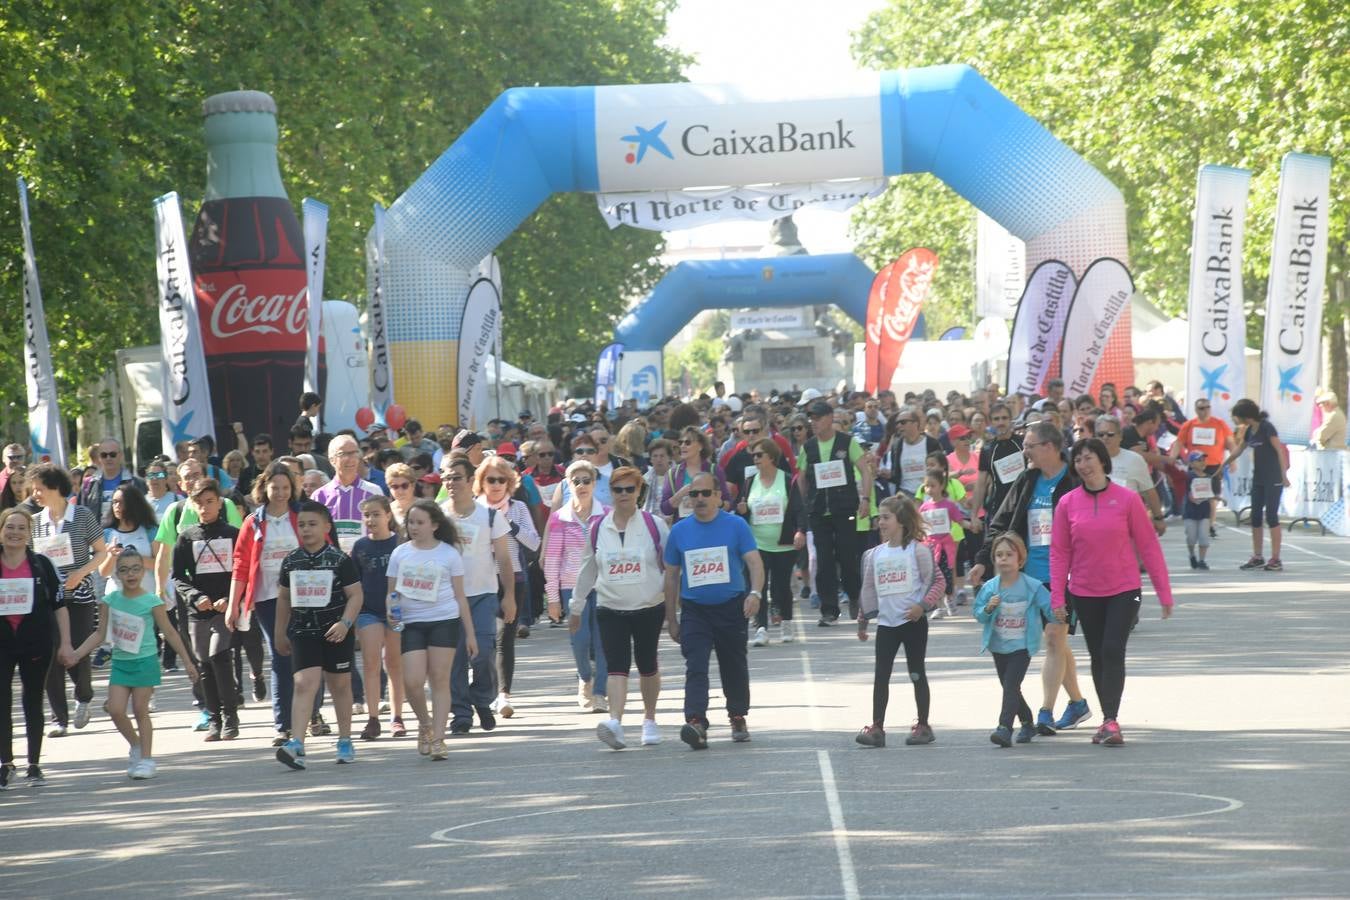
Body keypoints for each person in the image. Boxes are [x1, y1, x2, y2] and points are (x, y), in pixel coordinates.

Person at [970, 422, 1090, 736]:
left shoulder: (1075, 482)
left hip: (1064, 576)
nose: (1025, 451)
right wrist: (984, 561)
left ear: (1050, 447)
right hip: (1030, 578)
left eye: (1030, 445)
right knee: (1057, 642)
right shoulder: (1027, 480)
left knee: (1053, 638)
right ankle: (1077, 702)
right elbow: (1001, 524)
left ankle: (1046, 712)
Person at [1051, 438, 1173, 746]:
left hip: (1124, 588)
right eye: (1078, 459)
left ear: (1103, 461)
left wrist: (1164, 592)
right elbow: (1059, 552)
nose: (1083, 464)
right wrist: (1057, 597)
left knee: (1112, 649)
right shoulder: (1067, 503)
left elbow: (1148, 546)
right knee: (1097, 654)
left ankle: (1111, 720)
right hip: (1084, 590)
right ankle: (1107, 718)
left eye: (1089, 458)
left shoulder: (1128, 499)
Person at [67, 548, 198, 779]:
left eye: (136, 569)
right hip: (121, 663)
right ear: (116, 574)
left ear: (142, 571)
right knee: (116, 710)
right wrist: (77, 654)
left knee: (140, 710)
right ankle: (136, 746)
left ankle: (147, 760)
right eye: (124, 570)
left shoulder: (151, 601)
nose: (131, 574)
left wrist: (188, 662)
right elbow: (99, 634)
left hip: (145, 662)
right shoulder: (110, 600)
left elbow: (170, 632)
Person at [663, 471, 764, 750]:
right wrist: (671, 618)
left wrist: (755, 593)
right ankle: (696, 721)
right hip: (695, 609)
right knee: (695, 664)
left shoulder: (736, 526)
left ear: (719, 497)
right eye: (693, 494)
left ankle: (737, 714)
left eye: (705, 493)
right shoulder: (679, 531)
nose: (699, 499)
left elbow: (755, 563)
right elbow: (671, 575)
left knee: (733, 664)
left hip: (731, 606)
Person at [573, 466, 670, 750]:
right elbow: (587, 570)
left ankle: (649, 720)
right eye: (618, 489)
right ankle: (615, 723)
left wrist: (674, 605)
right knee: (616, 666)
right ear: (611, 492)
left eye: (630, 489)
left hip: (648, 606)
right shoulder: (597, 528)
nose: (624, 494)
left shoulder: (655, 526)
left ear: (639, 491)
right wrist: (576, 607)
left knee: (647, 664)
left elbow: (670, 568)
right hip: (610, 607)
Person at [274, 501, 364, 770]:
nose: (306, 529)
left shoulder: (340, 560)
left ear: (326, 527)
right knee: (304, 683)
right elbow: (283, 598)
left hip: (336, 632)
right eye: (301, 524)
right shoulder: (291, 561)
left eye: (312, 524)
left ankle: (345, 740)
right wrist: (280, 632)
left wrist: (345, 624)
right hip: (303, 632)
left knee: (340, 686)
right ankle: (297, 744)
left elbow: (356, 595)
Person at [854, 495, 946, 748]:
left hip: (912, 623)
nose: (880, 522)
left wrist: (922, 606)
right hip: (886, 624)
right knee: (881, 675)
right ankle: (877, 728)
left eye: (886, 517)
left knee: (916, 672)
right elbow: (868, 590)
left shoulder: (918, 550)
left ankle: (924, 725)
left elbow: (939, 582)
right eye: (879, 518)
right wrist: (863, 620)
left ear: (901, 521)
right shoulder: (874, 555)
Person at [28, 463, 107, 738]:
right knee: (50, 656)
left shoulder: (82, 515)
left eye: (39, 489)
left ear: (55, 488)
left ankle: (84, 696)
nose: (35, 494)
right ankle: (58, 718)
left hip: (80, 596)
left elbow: (101, 552)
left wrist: (80, 572)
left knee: (77, 651)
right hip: (49, 601)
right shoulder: (35, 523)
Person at [227, 461, 303, 747]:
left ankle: (312, 715)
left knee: (306, 654)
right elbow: (240, 564)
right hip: (267, 598)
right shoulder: (254, 522)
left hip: (304, 596)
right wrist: (234, 605)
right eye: (275, 487)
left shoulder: (301, 515)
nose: (281, 493)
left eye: (286, 487)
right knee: (280, 654)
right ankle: (282, 725)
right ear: (265, 488)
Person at [387, 500, 470, 761]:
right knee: (412, 682)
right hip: (411, 623)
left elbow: (460, 596)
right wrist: (391, 611)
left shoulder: (449, 554)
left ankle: (439, 738)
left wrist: (471, 634)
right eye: (410, 522)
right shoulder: (400, 553)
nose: (414, 527)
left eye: (420, 522)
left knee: (439, 679)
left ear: (434, 525)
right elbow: (392, 593)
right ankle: (424, 724)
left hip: (444, 620)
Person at [442, 455, 515, 733]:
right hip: (448, 598)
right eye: (446, 477)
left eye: (457, 477)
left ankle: (481, 698)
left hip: (483, 595)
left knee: (483, 652)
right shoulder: (438, 515)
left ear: (471, 481)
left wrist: (509, 596)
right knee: (454, 658)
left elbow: (505, 560)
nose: (451, 483)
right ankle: (461, 713)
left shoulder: (490, 516)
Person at [0, 507, 72, 788]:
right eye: (10, 527)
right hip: (2, 642)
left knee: (33, 700)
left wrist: (66, 643)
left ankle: (34, 764)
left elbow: (60, 606)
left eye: (21, 528)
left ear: (30, 534)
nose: (15, 532)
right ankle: (5, 763)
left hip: (36, 640)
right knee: (1, 702)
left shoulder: (42, 564)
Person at [172, 481, 241, 741]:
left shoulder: (233, 534)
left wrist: (230, 599)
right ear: (192, 504)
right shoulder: (187, 537)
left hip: (224, 609)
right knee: (204, 663)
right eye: (199, 502)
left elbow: (241, 572)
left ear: (219, 503)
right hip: (198, 610)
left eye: (210, 501)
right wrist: (195, 596)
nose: (205, 507)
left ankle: (231, 717)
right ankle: (214, 719)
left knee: (220, 656)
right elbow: (178, 576)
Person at [973, 533, 1053, 747]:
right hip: (998, 646)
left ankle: (1004, 728)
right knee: (1011, 688)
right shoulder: (990, 587)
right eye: (999, 555)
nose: (1004, 559)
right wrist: (988, 608)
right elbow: (978, 614)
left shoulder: (1031, 586)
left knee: (1010, 685)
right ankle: (1027, 723)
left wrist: (1064, 613)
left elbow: (1050, 606)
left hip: (1022, 647)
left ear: (1021, 558)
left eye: (1009, 554)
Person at [796, 399, 871, 626]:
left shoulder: (847, 442)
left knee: (848, 558)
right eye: (811, 419)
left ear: (830, 418)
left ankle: (855, 595)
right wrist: (807, 503)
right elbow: (800, 479)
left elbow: (865, 472)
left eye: (818, 418)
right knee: (824, 561)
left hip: (845, 509)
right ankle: (829, 610)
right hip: (819, 513)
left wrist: (865, 499)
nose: (814, 422)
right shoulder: (808, 447)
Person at [474, 456, 537, 719]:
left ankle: (503, 695)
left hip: (514, 579)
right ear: (482, 482)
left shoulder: (519, 507)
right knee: (482, 642)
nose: (497, 484)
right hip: (480, 581)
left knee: (504, 640)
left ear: (509, 482)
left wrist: (508, 524)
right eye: (491, 479)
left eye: (502, 479)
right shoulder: (474, 509)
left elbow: (533, 543)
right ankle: (479, 689)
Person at [544, 459, 610, 711]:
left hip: (602, 586)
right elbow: (552, 559)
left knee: (603, 641)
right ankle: (585, 679)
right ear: (568, 485)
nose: (581, 485)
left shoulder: (606, 514)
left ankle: (601, 692)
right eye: (576, 481)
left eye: (587, 480)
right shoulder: (560, 518)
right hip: (571, 586)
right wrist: (552, 597)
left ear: (594, 484)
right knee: (580, 640)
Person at [735, 437, 805, 646]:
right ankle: (761, 628)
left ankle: (786, 623)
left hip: (783, 544)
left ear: (771, 457)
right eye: (753, 456)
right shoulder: (749, 482)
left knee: (782, 586)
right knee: (758, 586)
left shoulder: (786, 480)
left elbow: (798, 509)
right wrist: (743, 511)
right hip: (756, 544)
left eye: (759, 455)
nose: (755, 459)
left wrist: (800, 531)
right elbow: (743, 510)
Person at [350, 495, 405, 740]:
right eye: (367, 515)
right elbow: (354, 583)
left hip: (396, 611)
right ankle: (373, 718)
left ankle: (397, 717)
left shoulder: (400, 543)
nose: (370, 519)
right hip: (368, 611)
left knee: (393, 664)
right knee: (371, 663)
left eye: (376, 514)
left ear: (388, 515)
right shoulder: (360, 546)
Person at [1225, 399, 1291, 571]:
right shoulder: (1249, 431)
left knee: (1271, 516)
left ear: (1245, 416)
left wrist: (1284, 475)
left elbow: (1279, 450)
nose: (1235, 420)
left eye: (1236, 417)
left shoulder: (1267, 427)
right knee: (1255, 516)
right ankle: (1258, 556)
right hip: (1259, 478)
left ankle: (1276, 559)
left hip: (1273, 477)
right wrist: (1224, 463)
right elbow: (1240, 449)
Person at [1168, 398, 1236, 537]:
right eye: (1201, 408)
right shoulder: (1189, 425)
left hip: (1214, 465)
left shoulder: (1219, 424)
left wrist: (1233, 461)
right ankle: (1193, 521)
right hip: (1195, 466)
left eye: (1207, 407)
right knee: (1195, 494)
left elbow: (1230, 443)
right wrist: (1172, 458)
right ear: (1196, 410)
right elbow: (1179, 443)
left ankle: (1209, 525)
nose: (1205, 411)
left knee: (1212, 496)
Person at [311, 434, 383, 553]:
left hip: (364, 562)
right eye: (343, 454)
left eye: (354, 453)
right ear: (331, 459)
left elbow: (382, 530)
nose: (350, 458)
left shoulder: (374, 492)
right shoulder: (319, 496)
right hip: (331, 563)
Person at [918, 468, 965, 616]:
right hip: (929, 547)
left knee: (946, 574)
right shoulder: (924, 507)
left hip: (945, 546)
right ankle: (937, 606)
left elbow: (959, 520)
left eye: (933, 485)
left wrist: (971, 525)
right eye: (927, 486)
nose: (929, 489)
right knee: (932, 576)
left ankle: (949, 598)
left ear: (941, 486)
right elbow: (919, 525)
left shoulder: (948, 505)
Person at [660, 427, 731, 523]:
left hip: (712, 526)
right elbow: (665, 509)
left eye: (687, 442)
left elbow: (728, 504)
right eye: (680, 443)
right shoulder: (672, 473)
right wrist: (680, 494)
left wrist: (713, 499)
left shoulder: (714, 470)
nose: (683, 446)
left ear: (700, 446)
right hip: (685, 530)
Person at [76, 439, 146, 523]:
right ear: (99, 457)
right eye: (104, 455)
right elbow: (80, 516)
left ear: (121, 455)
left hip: (127, 534)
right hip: (97, 535)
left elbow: (143, 514)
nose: (108, 458)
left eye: (113, 454)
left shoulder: (136, 483)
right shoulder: (88, 484)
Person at [882, 407, 943, 497]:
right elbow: (896, 475)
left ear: (915, 423)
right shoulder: (896, 446)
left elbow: (941, 468)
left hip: (928, 493)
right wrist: (887, 475)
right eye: (897, 423)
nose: (899, 426)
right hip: (905, 494)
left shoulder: (931, 444)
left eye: (903, 422)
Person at [1181, 452, 1214, 569]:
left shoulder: (1209, 477)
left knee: (1204, 537)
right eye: (1199, 460)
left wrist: (1212, 517)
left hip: (1204, 512)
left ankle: (1202, 560)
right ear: (1191, 463)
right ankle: (1192, 554)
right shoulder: (1188, 476)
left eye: (1204, 460)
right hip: (1190, 512)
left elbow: (1211, 495)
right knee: (1191, 537)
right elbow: (1186, 491)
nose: (1202, 463)